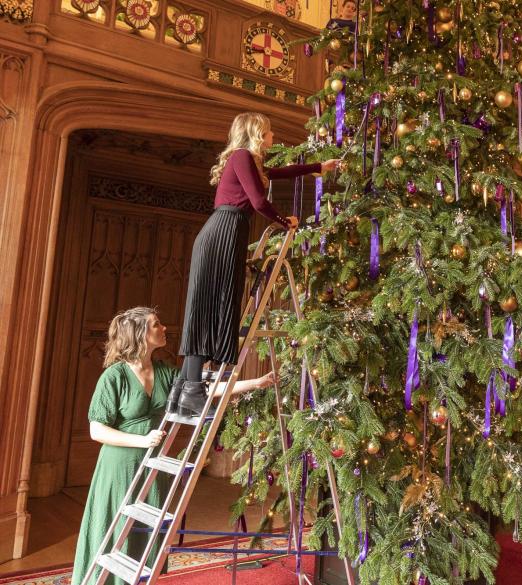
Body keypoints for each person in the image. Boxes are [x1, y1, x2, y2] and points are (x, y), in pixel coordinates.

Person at [72, 307, 277, 585]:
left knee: (145, 532)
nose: (164, 328)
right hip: (119, 467)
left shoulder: (164, 372)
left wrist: (256, 382)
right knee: (112, 528)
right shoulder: (114, 376)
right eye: (157, 324)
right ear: (142, 334)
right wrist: (141, 440)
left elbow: (203, 391)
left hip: (153, 464)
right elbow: (96, 430)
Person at [169, 112, 338, 416]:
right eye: (270, 132)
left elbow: (279, 173)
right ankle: (191, 390)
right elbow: (259, 202)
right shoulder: (242, 156)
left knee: (211, 306)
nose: (273, 137)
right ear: (258, 133)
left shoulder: (250, 162)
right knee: (208, 307)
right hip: (223, 233)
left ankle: (182, 391)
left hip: (227, 233)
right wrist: (284, 221)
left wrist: (318, 168)